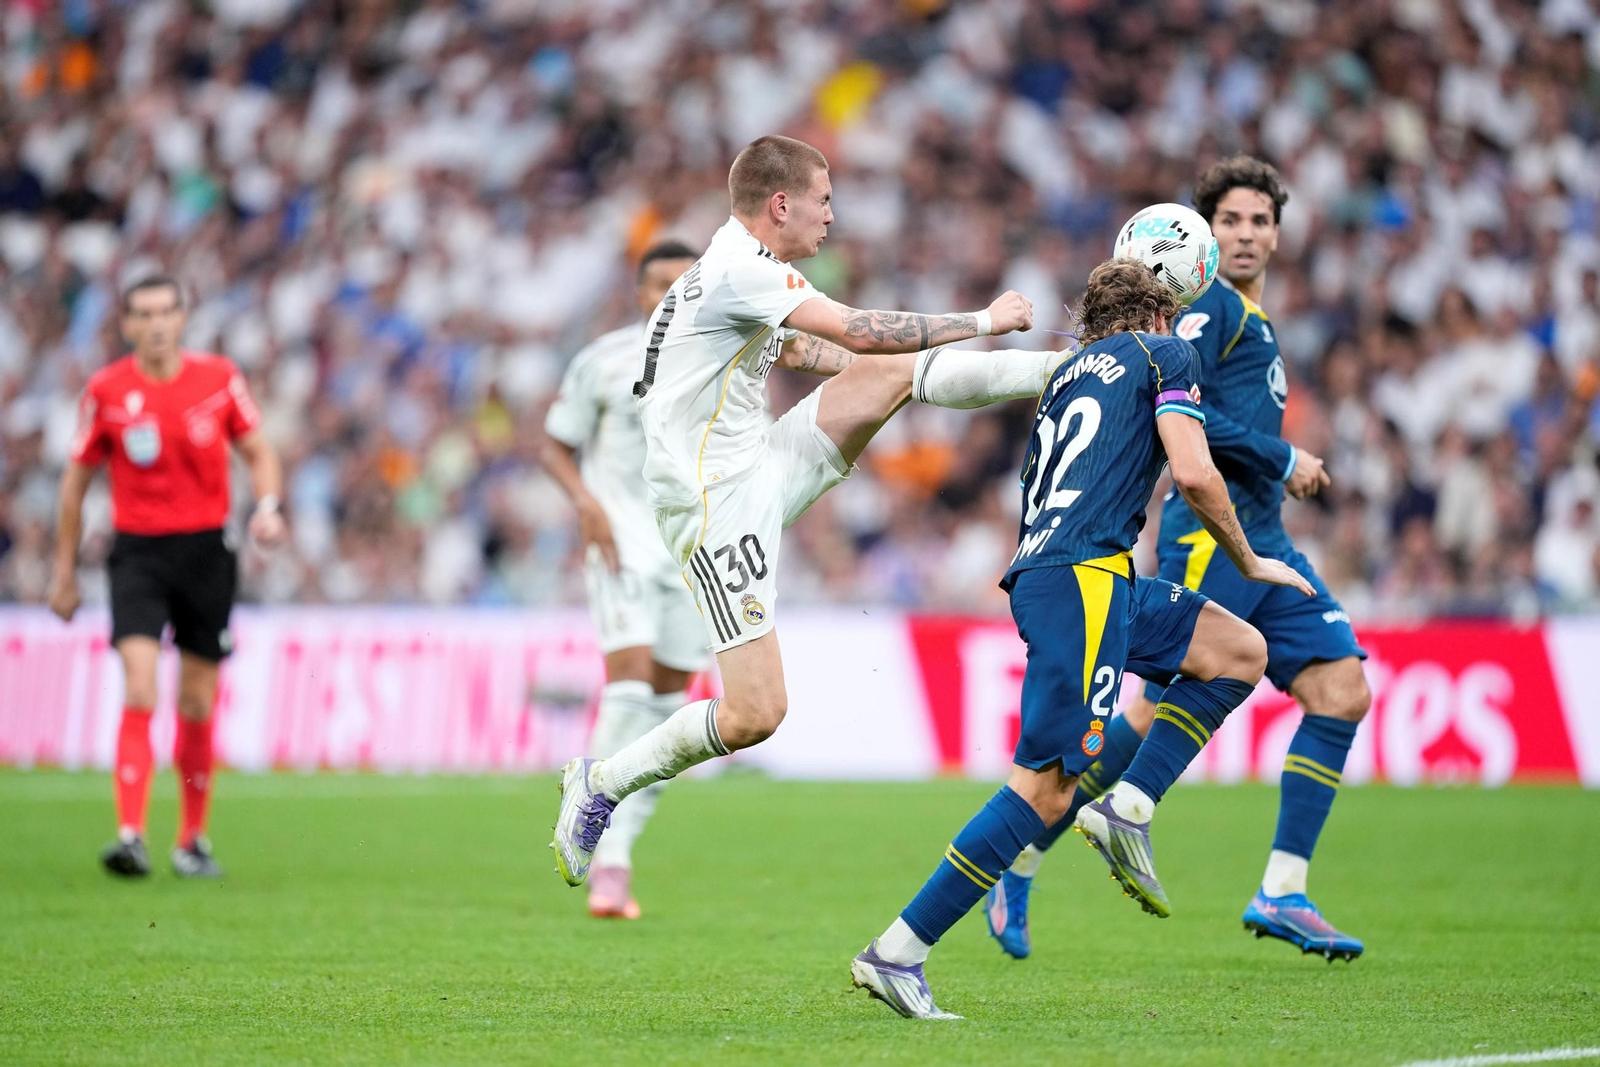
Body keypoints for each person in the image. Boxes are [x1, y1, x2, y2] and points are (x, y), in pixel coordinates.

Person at [549, 134, 1051, 887]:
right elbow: (854, 329)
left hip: (756, 467)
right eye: (823, 199)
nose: (832, 215)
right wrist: (981, 319)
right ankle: (602, 782)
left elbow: (820, 353)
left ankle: (1065, 368)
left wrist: (894, 369)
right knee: (756, 712)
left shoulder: (742, 271)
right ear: (780, 203)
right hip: (714, 506)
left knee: (891, 370)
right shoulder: (734, 270)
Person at [850, 258, 1313, 1019]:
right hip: (1087, 578)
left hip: (1063, 573)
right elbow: (1195, 472)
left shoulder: (1068, 374)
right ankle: (898, 951)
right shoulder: (1168, 352)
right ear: (1160, 316)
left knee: (1237, 651)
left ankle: (1128, 802)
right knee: (1043, 787)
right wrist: (1249, 555)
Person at [990, 157, 1370, 963]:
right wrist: (1282, 454)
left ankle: (1284, 887)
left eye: (1259, 221)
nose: (1245, 234)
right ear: (1202, 235)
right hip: (1212, 540)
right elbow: (1189, 429)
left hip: (1266, 539)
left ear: (1276, 233)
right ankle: (1023, 852)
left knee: (1341, 689)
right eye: (1229, 220)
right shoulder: (1203, 315)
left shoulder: (1249, 318)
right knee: (1146, 714)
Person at [48, 275, 286, 879]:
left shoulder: (219, 379)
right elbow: (74, 486)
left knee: (197, 701)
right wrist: (63, 572)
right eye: (143, 313)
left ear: (183, 318)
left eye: (166, 311)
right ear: (126, 325)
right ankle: (130, 835)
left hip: (208, 552)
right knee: (140, 687)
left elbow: (259, 450)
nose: (156, 323)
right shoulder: (106, 390)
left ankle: (192, 840)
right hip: (138, 555)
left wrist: (266, 506)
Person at [541, 241, 707, 920]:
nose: (670, 295)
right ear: (640, 294)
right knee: (632, 686)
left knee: (668, 718)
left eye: (684, 285)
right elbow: (554, 444)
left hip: (693, 556)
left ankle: (620, 854)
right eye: (659, 284)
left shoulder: (725, 365)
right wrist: (584, 502)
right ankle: (598, 844)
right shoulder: (604, 362)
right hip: (622, 549)